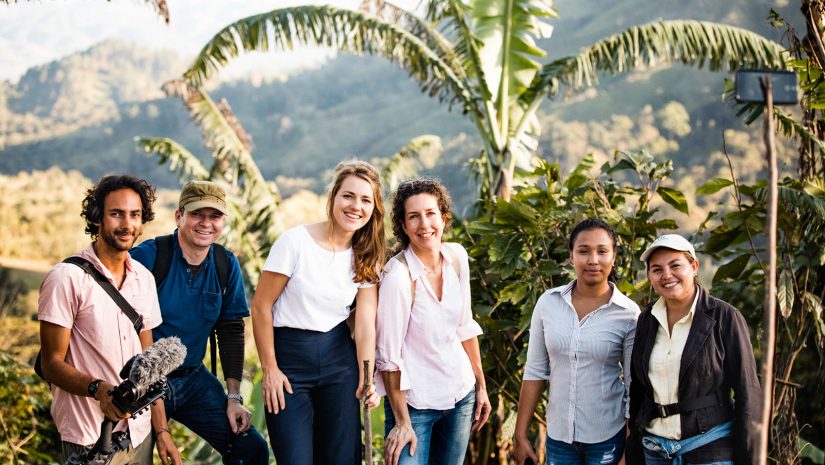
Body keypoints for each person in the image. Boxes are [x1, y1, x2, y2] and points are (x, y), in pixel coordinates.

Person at [250, 159, 384, 464]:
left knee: (340, 458)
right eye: (348, 196)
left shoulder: (366, 255)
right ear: (333, 197)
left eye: (365, 200)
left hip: (340, 362)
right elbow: (260, 306)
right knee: (295, 459)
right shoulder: (295, 242)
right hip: (288, 363)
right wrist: (270, 369)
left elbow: (364, 324)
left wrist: (367, 378)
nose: (355, 206)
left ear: (373, 209)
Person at [130, 180, 268, 465]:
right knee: (135, 457)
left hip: (192, 378)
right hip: (144, 379)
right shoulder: (150, 257)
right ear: (179, 216)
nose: (206, 223)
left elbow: (230, 331)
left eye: (215, 216)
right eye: (197, 214)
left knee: (250, 448)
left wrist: (233, 398)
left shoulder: (225, 264)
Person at [38, 175, 163, 465]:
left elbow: (149, 362)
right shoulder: (66, 278)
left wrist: (162, 430)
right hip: (88, 438)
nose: (127, 224)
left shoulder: (144, 279)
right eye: (116, 214)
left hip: (138, 433)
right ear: (96, 218)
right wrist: (99, 390)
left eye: (135, 215)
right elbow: (51, 364)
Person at [376, 177, 492, 465]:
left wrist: (480, 386)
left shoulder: (456, 257)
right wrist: (402, 421)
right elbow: (389, 358)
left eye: (430, 214)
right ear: (403, 226)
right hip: (414, 405)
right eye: (413, 217)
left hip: (459, 394)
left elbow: (464, 326)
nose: (424, 224)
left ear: (444, 218)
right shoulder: (398, 278)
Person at [513, 218, 641, 465]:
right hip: (559, 438)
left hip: (607, 439)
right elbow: (535, 371)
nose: (593, 259)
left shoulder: (628, 314)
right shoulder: (548, 303)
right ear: (571, 256)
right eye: (583, 251)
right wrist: (520, 434)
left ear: (613, 257)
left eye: (602, 251)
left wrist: (629, 445)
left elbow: (633, 387)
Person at [626, 234, 760, 465]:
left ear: (694, 267)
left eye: (675, 265)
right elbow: (638, 387)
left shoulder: (724, 317)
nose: (666, 275)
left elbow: (747, 390)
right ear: (649, 276)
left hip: (710, 446)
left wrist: (748, 454)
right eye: (657, 269)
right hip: (655, 449)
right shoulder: (647, 320)